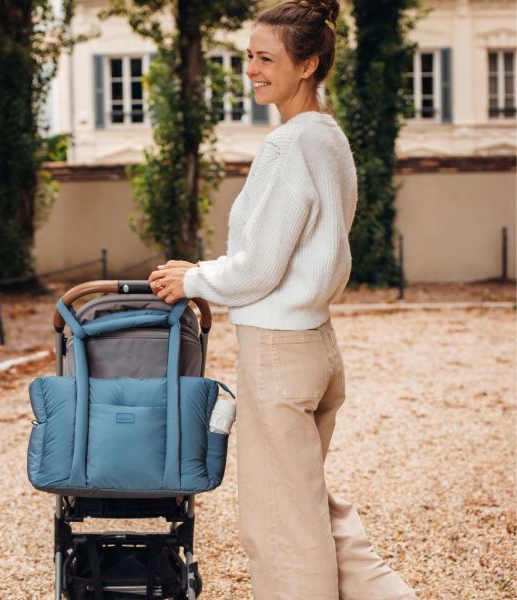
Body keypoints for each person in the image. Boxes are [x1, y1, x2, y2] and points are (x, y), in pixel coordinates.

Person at [148, 1, 418, 598]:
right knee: (313, 513)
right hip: (316, 349)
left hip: (277, 352)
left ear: (308, 64)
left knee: (282, 532)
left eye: (266, 58)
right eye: (250, 55)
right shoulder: (329, 138)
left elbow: (260, 267)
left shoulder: (289, 146)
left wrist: (195, 278)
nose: (251, 68)